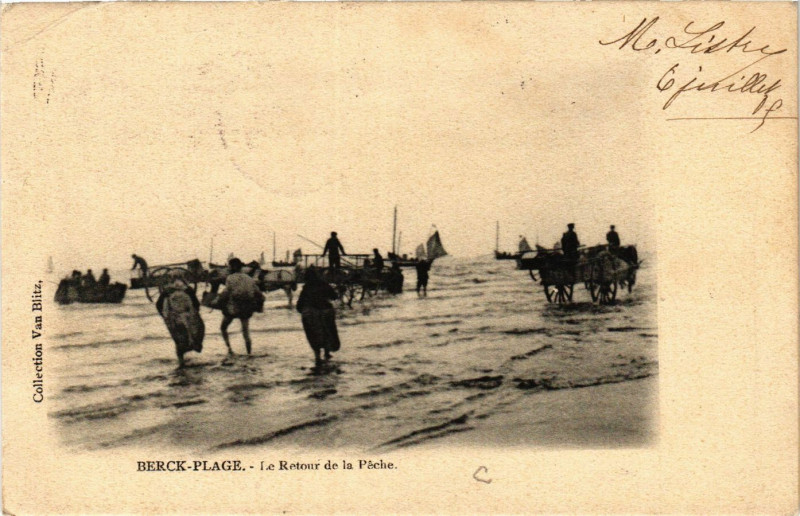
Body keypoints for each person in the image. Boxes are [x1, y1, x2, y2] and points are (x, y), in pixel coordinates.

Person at [156, 270, 204, 367]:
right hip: (189, 317)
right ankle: (191, 349)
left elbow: (158, 305)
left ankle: (181, 362)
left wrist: (166, 318)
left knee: (178, 339)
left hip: (174, 319)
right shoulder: (188, 289)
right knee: (195, 335)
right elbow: (196, 304)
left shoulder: (167, 291)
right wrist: (194, 315)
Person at [296, 267, 340, 368]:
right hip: (325, 311)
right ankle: (327, 352)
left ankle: (317, 356)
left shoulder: (306, 288)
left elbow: (299, 305)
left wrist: (301, 310)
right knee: (327, 331)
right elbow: (334, 296)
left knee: (313, 334)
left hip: (311, 313)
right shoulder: (324, 284)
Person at [219, 257, 264, 355]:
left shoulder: (230, 278)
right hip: (246, 308)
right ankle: (249, 353)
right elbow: (259, 294)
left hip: (233, 308)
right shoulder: (249, 278)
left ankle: (230, 349)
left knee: (223, 327)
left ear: (232, 267)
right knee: (245, 332)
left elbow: (226, 293)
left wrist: (217, 300)